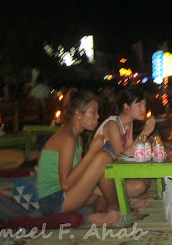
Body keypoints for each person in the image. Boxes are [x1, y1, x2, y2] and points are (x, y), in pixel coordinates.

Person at [37, 89, 122, 225]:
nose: (98, 116)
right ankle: (115, 207)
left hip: (66, 195)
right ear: (78, 114)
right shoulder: (67, 139)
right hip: (54, 201)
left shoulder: (77, 138)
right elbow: (65, 184)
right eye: (93, 112)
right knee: (103, 158)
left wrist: (109, 194)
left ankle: (102, 213)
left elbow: (79, 176)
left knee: (104, 194)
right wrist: (92, 153)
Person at [94, 87, 156, 207]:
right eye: (139, 105)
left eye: (144, 105)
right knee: (140, 186)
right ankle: (101, 194)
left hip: (114, 174)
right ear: (126, 106)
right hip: (101, 179)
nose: (143, 109)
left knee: (146, 181)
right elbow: (121, 157)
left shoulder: (128, 124)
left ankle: (115, 199)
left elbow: (131, 154)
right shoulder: (113, 124)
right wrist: (145, 133)